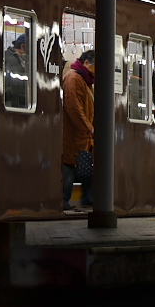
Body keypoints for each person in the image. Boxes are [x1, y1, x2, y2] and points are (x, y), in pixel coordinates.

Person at [62, 49, 95, 211]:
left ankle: (88, 198)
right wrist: (88, 128)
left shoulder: (85, 80)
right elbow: (74, 107)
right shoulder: (74, 78)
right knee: (69, 164)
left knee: (83, 165)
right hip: (73, 133)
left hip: (81, 134)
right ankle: (63, 200)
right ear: (86, 63)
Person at [4, 33, 28, 108]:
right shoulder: (12, 59)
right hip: (12, 100)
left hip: (16, 99)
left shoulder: (18, 58)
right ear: (23, 46)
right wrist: (30, 79)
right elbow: (13, 78)